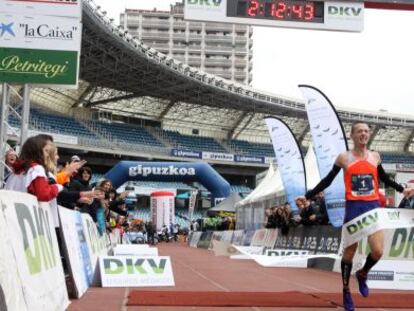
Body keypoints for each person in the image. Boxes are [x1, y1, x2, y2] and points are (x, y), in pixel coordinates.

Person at [296, 121, 412, 311]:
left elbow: (383, 178)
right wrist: (307, 195)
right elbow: (327, 181)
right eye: (359, 131)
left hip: (373, 208)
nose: (363, 134)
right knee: (349, 253)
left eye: (366, 131)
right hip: (353, 209)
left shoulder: (375, 156)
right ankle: (346, 291)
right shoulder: (343, 158)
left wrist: (402, 189)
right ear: (352, 135)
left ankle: (363, 273)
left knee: (378, 251)